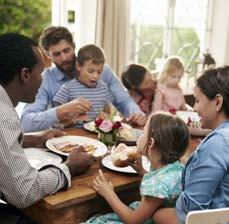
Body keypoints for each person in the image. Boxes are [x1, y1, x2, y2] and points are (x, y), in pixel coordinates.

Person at [0, 33, 93, 223]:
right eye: (40, 72)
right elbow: (25, 191)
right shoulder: (4, 116)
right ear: (25, 74)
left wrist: (37, 139)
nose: (42, 79)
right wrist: (69, 168)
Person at [21, 26, 146, 132]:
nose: (64, 58)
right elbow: (26, 122)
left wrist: (136, 113)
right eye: (57, 54)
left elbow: (123, 100)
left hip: (100, 137)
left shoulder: (102, 71)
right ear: (48, 55)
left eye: (66, 50)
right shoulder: (46, 80)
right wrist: (61, 111)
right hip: (65, 141)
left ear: (74, 46)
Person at [152, 66, 229, 224]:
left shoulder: (217, 143)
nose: (194, 108)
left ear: (218, 102)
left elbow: (193, 212)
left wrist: (156, 215)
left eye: (198, 100)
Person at [85, 112, 190, 224]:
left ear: (150, 143)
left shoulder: (156, 185)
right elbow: (164, 189)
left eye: (143, 133)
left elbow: (133, 220)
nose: (139, 137)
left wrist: (108, 193)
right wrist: (142, 172)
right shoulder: (178, 168)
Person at [53, 44, 113, 124]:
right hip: (74, 133)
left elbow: (107, 112)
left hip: (95, 134)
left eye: (99, 72)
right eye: (91, 71)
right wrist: (73, 120)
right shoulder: (68, 88)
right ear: (78, 66)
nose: (95, 76)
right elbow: (57, 121)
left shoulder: (103, 88)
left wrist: (105, 117)